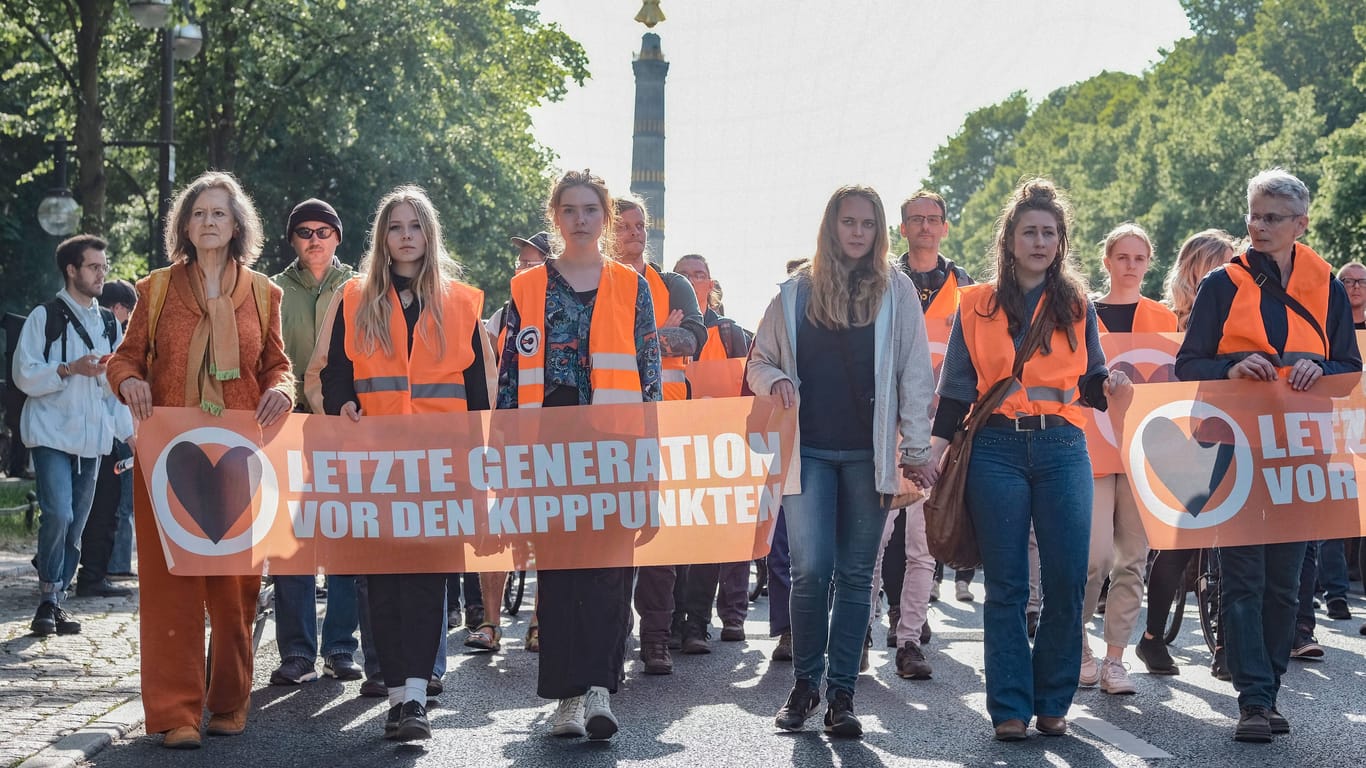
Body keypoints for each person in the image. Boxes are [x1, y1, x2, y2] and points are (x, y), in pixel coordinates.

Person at [909, 178, 1130, 741]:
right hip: (995, 450)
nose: (1039, 242)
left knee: (1066, 580)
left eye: (1049, 233)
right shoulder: (974, 303)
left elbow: (1093, 378)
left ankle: (1053, 701)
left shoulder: (1077, 304)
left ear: (1061, 241)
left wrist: (1114, 382)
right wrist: (932, 453)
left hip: (1062, 447)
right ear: (1009, 240)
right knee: (1006, 585)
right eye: (1029, 231)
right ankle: (1009, 707)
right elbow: (956, 387)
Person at [107, 171, 294, 749]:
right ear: (184, 226)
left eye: (219, 213)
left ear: (238, 225)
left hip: (240, 457)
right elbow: (124, 360)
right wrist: (130, 382)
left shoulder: (265, 293)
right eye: (198, 213)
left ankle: (230, 700)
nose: (209, 221)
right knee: (170, 588)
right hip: (167, 458)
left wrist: (283, 391)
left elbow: (277, 366)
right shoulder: (154, 289)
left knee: (236, 588)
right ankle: (176, 711)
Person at [1175, 168, 1360, 743]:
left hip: (1300, 455)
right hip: (1234, 451)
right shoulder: (1221, 286)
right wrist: (1230, 366)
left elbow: (1350, 369)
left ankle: (1270, 686)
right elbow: (1188, 364)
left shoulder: (1326, 285)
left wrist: (1320, 367)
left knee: (1286, 583)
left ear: (1300, 225)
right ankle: (1253, 699)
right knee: (1243, 577)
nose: (1258, 226)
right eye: (1254, 215)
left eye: (1272, 217)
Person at [748, 184, 935, 738]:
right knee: (809, 570)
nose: (857, 232)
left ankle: (842, 696)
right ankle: (805, 685)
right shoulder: (794, 292)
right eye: (848, 222)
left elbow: (916, 374)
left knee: (856, 576)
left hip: (868, 456)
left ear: (879, 232)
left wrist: (917, 449)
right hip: (806, 453)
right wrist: (776, 377)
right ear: (831, 226)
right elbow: (758, 361)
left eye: (868, 224)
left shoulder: (897, 290)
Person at [319, 186, 494, 742]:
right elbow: (333, 372)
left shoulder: (461, 301)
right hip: (376, 464)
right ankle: (395, 693)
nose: (405, 236)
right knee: (380, 583)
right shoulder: (354, 296)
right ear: (382, 236)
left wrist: (479, 467)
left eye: (415, 226)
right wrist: (342, 399)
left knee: (425, 581)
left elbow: (479, 394)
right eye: (395, 227)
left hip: (440, 467)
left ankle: (415, 696)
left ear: (429, 234)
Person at [498, 169, 662, 740]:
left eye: (591, 209)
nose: (580, 219)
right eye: (569, 209)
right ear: (555, 217)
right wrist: (505, 462)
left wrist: (649, 468)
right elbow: (509, 381)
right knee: (561, 570)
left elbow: (648, 380)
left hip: (614, 445)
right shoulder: (525, 288)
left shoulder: (631, 284)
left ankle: (598, 692)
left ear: (606, 217)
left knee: (609, 571)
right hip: (548, 445)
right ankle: (565, 697)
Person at [14, 235, 135, 635]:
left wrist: (130, 435)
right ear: (72, 270)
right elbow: (24, 374)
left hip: (93, 441)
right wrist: (69, 369)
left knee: (76, 526)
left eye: (104, 266)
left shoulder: (107, 323)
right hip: (50, 434)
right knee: (59, 514)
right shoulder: (43, 316)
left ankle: (57, 598)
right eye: (93, 267)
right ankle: (48, 596)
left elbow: (116, 388)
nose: (102, 273)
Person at [267, 198, 364, 685]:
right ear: (292, 239)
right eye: (303, 231)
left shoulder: (360, 288)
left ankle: (342, 646)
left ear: (338, 237)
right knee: (292, 543)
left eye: (323, 231)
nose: (314, 239)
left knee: (344, 539)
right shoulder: (273, 291)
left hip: (344, 427)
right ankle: (297, 651)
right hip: (288, 428)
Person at [1078, 223, 1178, 695]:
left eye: (1139, 258)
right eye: (1122, 257)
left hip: (1142, 453)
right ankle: (1077, 646)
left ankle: (1115, 658)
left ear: (1148, 262)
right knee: (1093, 558)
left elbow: (1172, 386)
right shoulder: (1082, 314)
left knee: (1132, 560)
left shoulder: (1163, 318)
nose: (1131, 265)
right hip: (1090, 451)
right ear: (1107, 261)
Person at [879, 190, 974, 680]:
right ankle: (859, 633)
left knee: (921, 543)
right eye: (915, 219)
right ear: (902, 228)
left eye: (933, 219)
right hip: (886, 426)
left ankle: (910, 638)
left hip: (940, 430)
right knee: (873, 540)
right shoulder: (881, 281)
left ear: (945, 226)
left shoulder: (967, 287)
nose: (925, 227)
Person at [613, 195, 707, 671]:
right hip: (608, 428)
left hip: (666, 427)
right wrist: (655, 336)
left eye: (640, 225)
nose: (634, 233)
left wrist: (629, 339)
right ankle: (612, 639)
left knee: (658, 539)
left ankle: (654, 638)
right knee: (611, 539)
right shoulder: (596, 284)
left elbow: (694, 338)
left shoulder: (671, 284)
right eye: (624, 226)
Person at [1140, 228, 1235, 678]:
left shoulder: (1245, 314)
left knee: (1233, 545)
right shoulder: (1167, 323)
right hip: (1179, 438)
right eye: (1218, 265)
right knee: (1178, 544)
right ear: (1193, 270)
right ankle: (1152, 636)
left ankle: (1228, 644)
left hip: (1231, 433)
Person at [672, 253, 752, 642]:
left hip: (717, 451)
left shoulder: (731, 335)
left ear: (711, 284)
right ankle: (670, 620)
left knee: (706, 541)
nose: (691, 279)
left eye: (698, 274)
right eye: (683, 274)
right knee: (670, 542)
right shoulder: (662, 325)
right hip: (670, 446)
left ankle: (697, 622)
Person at [76, 278, 139, 595]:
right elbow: (114, 393)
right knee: (104, 507)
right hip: (105, 434)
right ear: (118, 309)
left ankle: (65, 565)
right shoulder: (109, 330)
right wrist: (129, 435)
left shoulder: (87, 327)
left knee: (78, 507)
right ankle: (92, 575)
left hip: (86, 431)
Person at [1337, 261, 1366, 329]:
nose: (1356, 286)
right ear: (1338, 287)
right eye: (1349, 281)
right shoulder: (1328, 327)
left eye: (1363, 282)